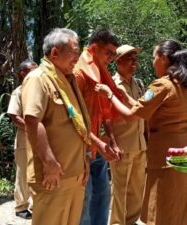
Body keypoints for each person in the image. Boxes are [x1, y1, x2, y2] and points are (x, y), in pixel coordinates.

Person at [95, 40, 187, 225]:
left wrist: (111, 96)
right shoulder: (181, 85)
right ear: (118, 61)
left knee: (163, 202)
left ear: (163, 58)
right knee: (174, 201)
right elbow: (137, 109)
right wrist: (121, 96)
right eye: (129, 58)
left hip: (164, 155)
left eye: (153, 57)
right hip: (177, 151)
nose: (139, 62)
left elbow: (133, 114)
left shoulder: (160, 85)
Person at [22, 28, 92, 225]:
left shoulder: (67, 81)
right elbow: (33, 121)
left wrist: (85, 158)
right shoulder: (39, 79)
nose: (77, 59)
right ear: (55, 53)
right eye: (74, 53)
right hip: (53, 177)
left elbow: (78, 125)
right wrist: (49, 163)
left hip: (74, 176)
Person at [74, 28, 122, 225]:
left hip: (97, 147)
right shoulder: (79, 72)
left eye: (113, 54)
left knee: (102, 196)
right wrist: (97, 142)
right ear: (94, 48)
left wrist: (110, 138)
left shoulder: (98, 71)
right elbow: (73, 118)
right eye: (108, 52)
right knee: (84, 201)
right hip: (81, 147)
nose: (111, 58)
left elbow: (105, 111)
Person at [109, 44, 147, 225]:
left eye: (135, 58)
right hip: (122, 145)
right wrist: (112, 143)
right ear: (119, 61)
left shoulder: (138, 83)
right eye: (130, 58)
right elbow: (107, 118)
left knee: (137, 188)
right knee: (120, 189)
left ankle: (131, 221)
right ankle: (117, 222)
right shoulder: (112, 85)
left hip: (140, 144)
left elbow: (144, 113)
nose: (134, 61)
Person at [7, 59, 38, 219]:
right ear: (23, 73)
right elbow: (14, 115)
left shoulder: (40, 90)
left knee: (37, 172)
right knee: (23, 174)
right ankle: (21, 207)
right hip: (24, 140)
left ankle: (36, 205)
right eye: (32, 70)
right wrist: (32, 128)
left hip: (40, 140)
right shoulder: (18, 92)